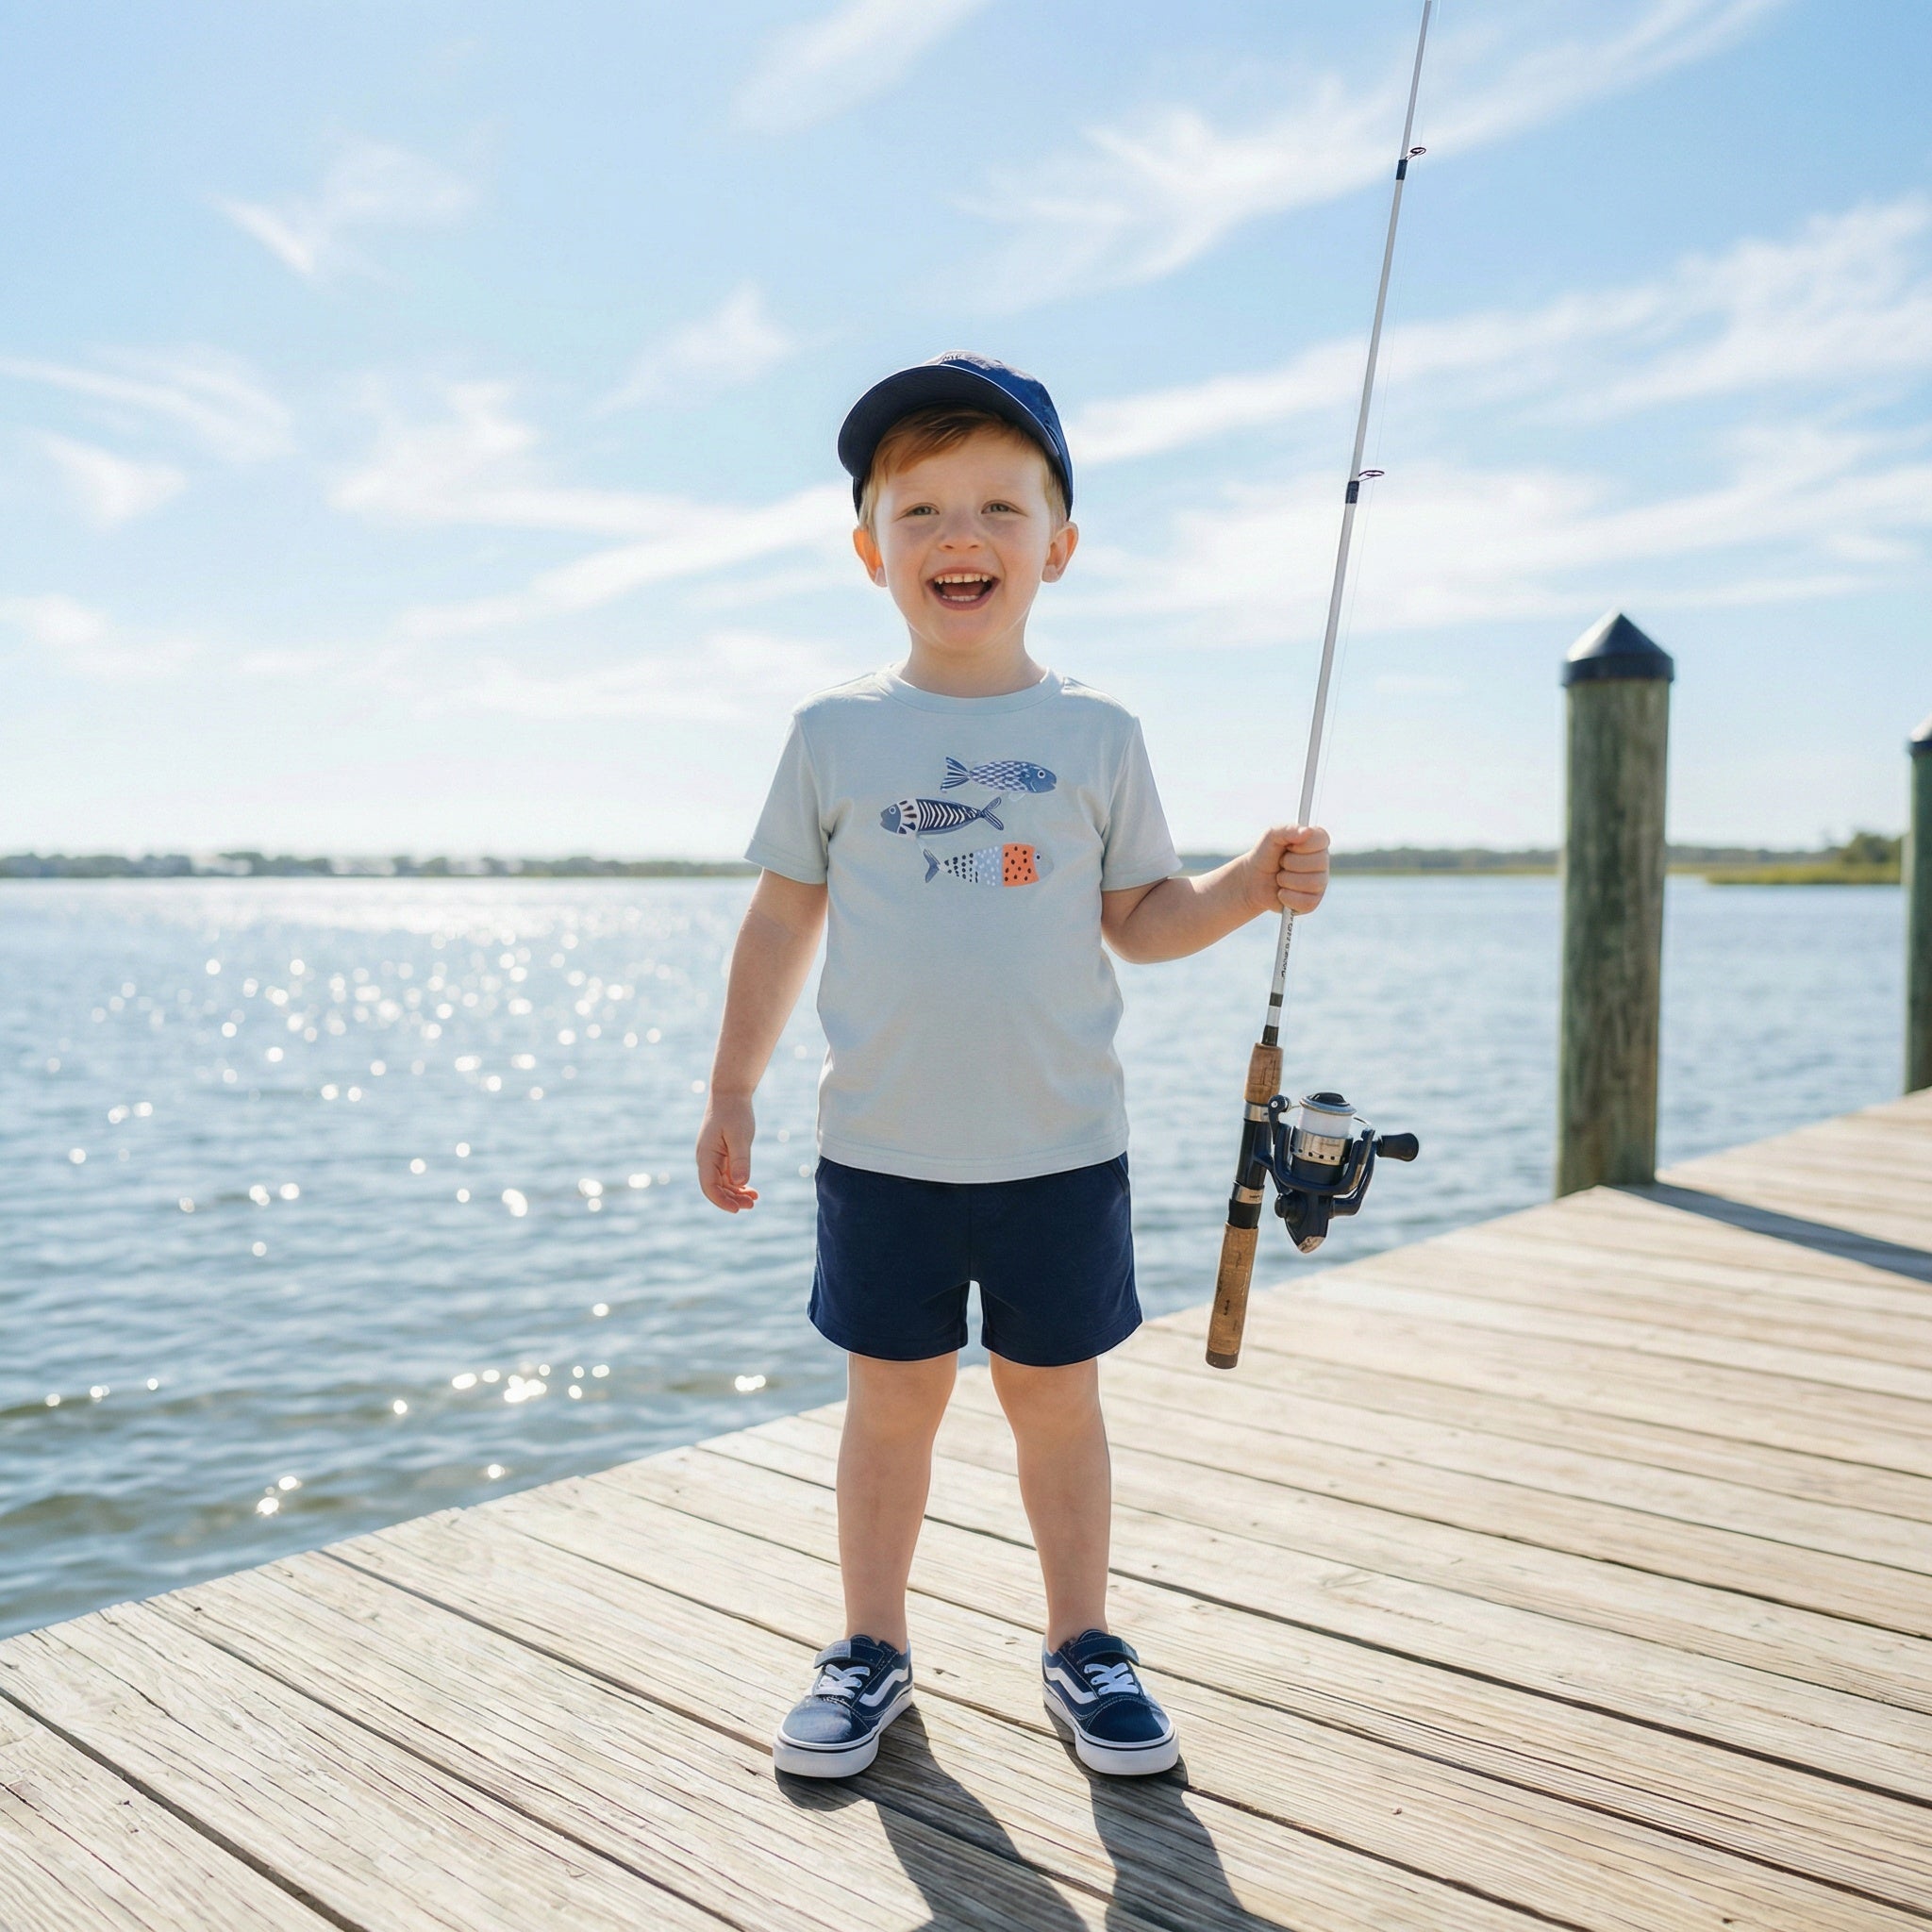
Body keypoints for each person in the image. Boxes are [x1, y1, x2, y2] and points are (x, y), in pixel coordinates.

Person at [694, 352, 1330, 1780]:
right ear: (871, 550)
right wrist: (732, 1086)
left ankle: (1082, 1643)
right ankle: (870, 1646)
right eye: (919, 510)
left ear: (1060, 544)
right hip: (881, 1153)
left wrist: (1246, 887)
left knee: (1057, 1404)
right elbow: (782, 918)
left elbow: (1141, 921)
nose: (960, 536)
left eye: (999, 506)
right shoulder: (834, 733)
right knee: (890, 1407)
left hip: (1060, 1151)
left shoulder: (1099, 732)